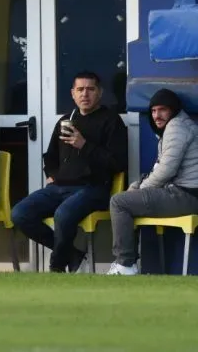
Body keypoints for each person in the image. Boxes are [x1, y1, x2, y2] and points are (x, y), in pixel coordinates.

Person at [11, 72, 128, 273]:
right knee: (20, 213)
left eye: (90, 89)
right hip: (59, 187)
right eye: (80, 90)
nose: (85, 94)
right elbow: (49, 156)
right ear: (73, 94)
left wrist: (84, 145)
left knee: (63, 215)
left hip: (93, 188)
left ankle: (56, 266)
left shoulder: (111, 121)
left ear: (99, 93)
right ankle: (71, 254)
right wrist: (51, 174)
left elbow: (117, 163)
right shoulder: (66, 120)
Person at [107, 89, 198, 276]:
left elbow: (166, 170)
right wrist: (138, 186)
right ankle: (126, 264)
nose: (157, 116)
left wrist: (140, 189)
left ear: (173, 110)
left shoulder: (177, 127)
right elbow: (159, 170)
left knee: (119, 202)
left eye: (162, 110)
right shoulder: (173, 128)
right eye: (153, 111)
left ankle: (125, 264)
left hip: (192, 197)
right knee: (127, 199)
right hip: (188, 194)